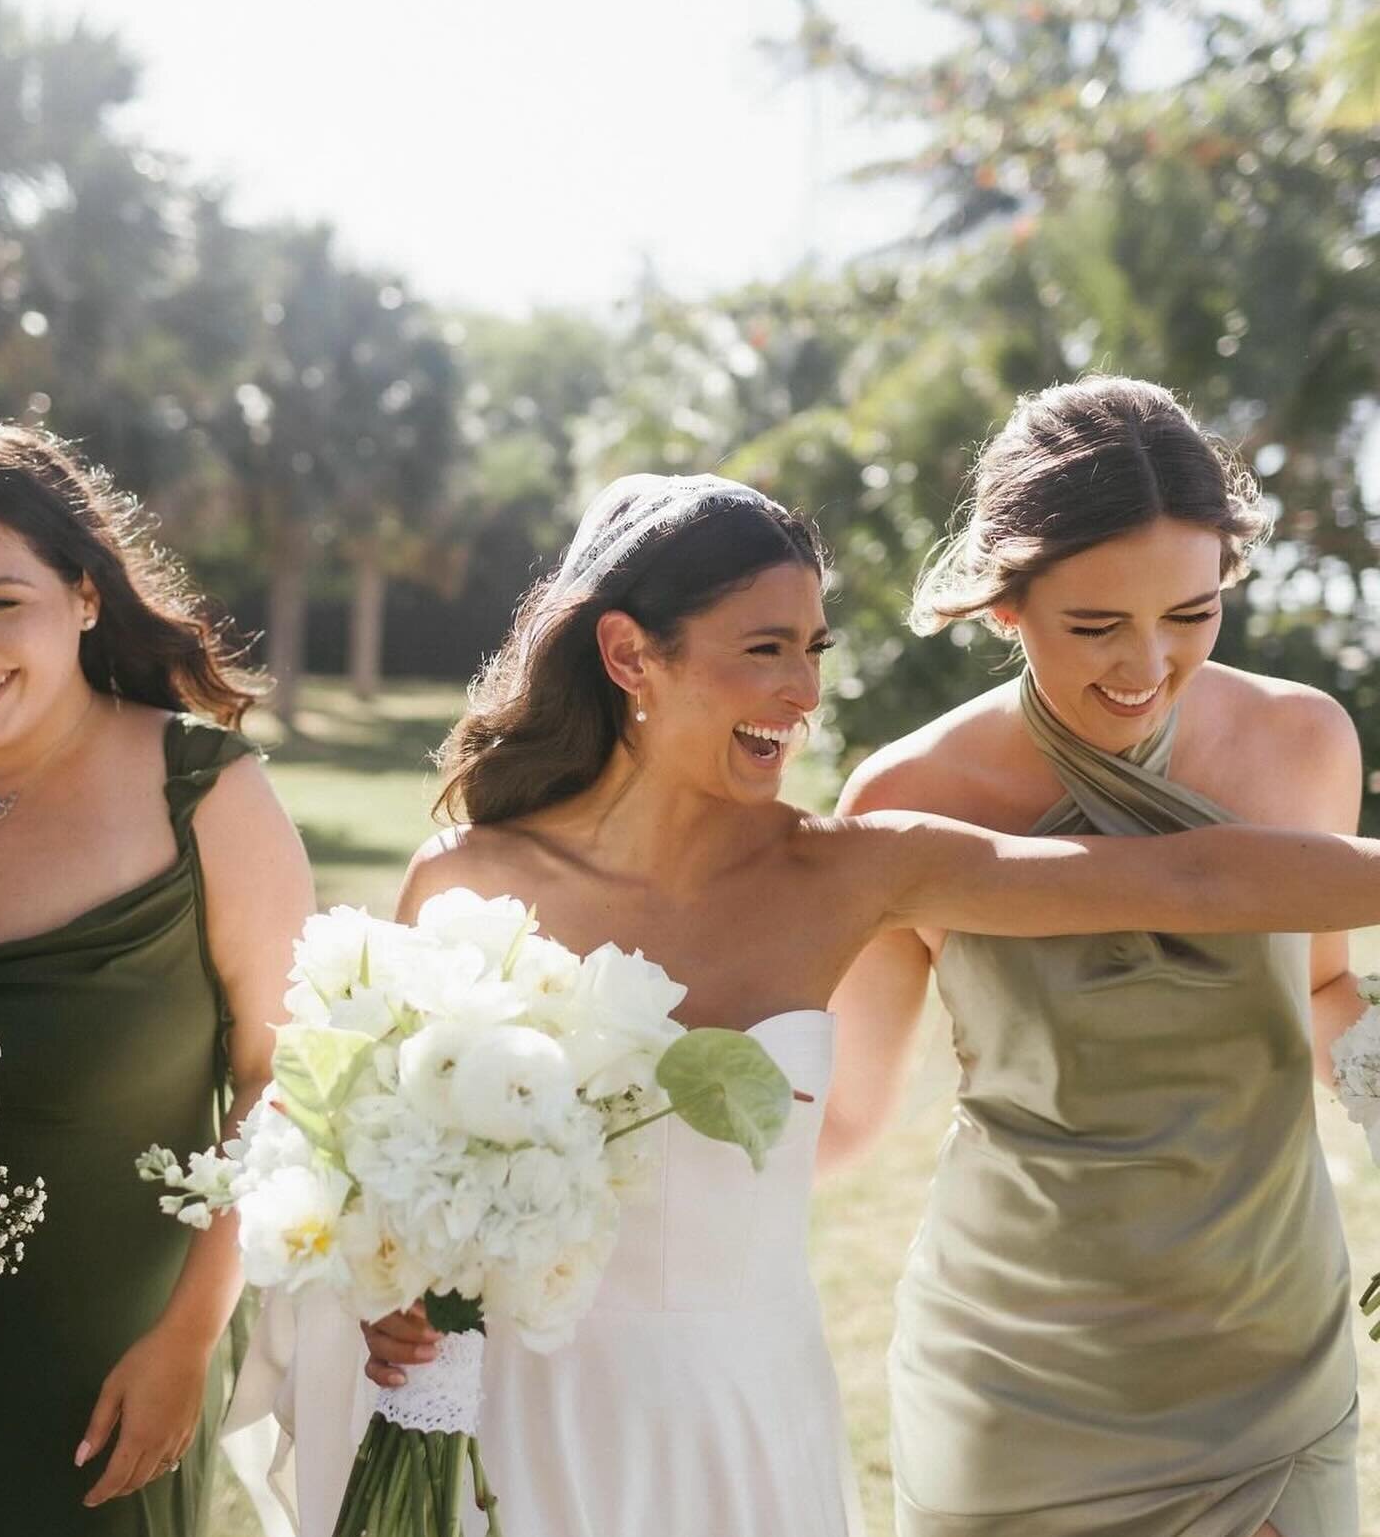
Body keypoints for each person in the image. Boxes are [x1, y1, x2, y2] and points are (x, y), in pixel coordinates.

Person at [253, 469, 1380, 1537]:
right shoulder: (464, 882)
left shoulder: (852, 869)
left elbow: (1197, 877)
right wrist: (386, 1291)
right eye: (765, 651)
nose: (804, 693)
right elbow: (365, 1160)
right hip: (520, 1411)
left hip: (742, 1411)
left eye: (813, 650)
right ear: (628, 655)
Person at [825, 376, 1364, 1537]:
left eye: (1191, 613)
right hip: (1016, 1374)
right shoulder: (911, 795)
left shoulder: (1302, 741)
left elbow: (1322, 982)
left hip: (1265, 1355)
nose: (1147, 666)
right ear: (1006, 605)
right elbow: (844, 1114)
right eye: (1096, 624)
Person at [0, 424, 313, 1537]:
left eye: (0, 602)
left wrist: (192, 1334)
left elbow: (284, 1078)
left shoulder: (205, 796)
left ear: (86, 598)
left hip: (104, 1389)